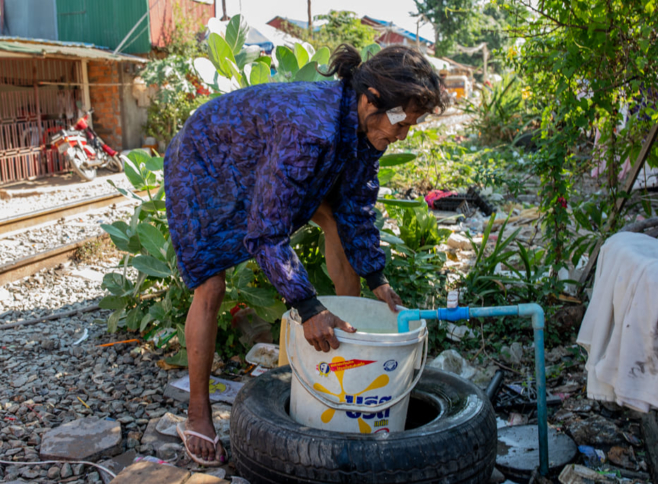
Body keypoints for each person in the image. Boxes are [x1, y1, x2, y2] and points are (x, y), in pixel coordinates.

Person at [164, 43, 447, 466]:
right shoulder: (310, 129)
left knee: (335, 219)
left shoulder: (362, 128)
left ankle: (349, 339)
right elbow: (266, 234)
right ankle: (199, 414)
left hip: (262, 154)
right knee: (211, 283)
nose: (402, 134)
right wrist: (306, 305)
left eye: (410, 126)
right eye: (400, 123)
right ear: (370, 98)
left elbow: (356, 204)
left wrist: (377, 278)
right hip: (207, 155)